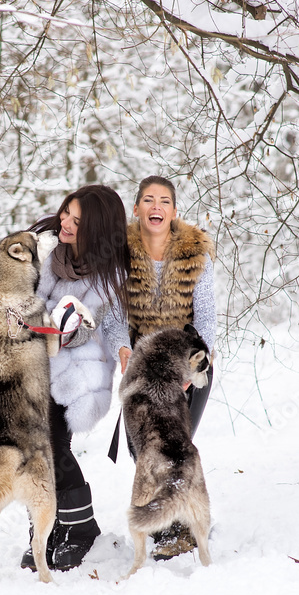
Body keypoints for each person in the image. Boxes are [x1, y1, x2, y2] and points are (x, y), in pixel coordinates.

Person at [20, 184, 131, 573]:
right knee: (34, 449)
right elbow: (21, 292)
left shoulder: (109, 273)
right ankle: (45, 531)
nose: (65, 222)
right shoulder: (49, 251)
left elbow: (88, 327)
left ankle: (80, 528)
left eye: (77, 220)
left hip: (79, 368)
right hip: (36, 362)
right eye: (66, 212)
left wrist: (56, 322)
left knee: (53, 446)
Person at [124, 174, 216, 559]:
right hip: (144, 368)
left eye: (164, 201)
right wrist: (120, 349)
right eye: (148, 200)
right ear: (137, 208)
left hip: (187, 364)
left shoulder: (195, 252)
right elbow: (114, 312)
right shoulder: (122, 252)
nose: (156, 207)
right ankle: (164, 519)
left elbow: (207, 317)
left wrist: (193, 370)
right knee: (142, 449)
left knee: (176, 447)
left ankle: (180, 531)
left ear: (174, 211)